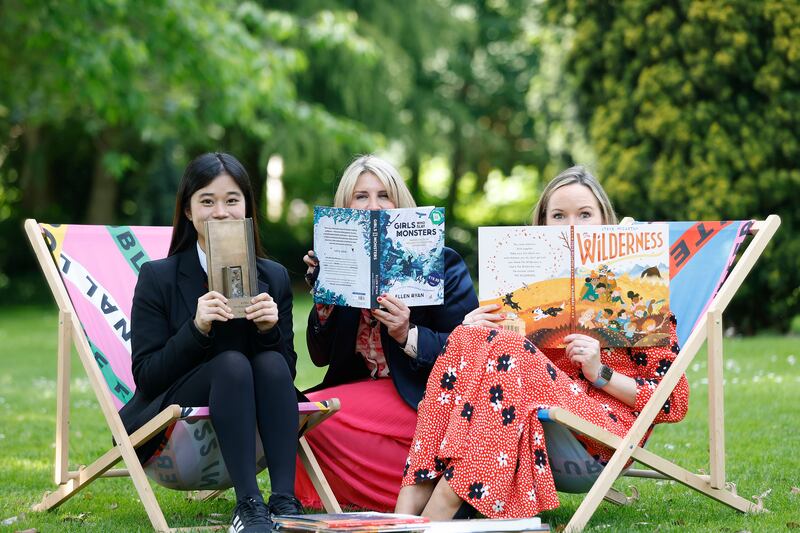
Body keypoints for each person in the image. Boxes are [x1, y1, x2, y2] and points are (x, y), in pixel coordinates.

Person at [395, 166, 689, 519]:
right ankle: (412, 496)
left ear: (603, 221)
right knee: (470, 335)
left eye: (584, 215)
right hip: (539, 422)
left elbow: (674, 402)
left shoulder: (639, 295)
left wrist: (600, 373)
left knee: (508, 351)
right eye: (559, 215)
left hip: (601, 436)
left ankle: (442, 503)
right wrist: (471, 328)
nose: (571, 226)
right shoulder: (522, 285)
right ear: (542, 224)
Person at [119, 153, 301, 533]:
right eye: (207, 201)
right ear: (187, 211)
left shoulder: (274, 277)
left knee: (269, 363)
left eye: (232, 200)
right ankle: (249, 505)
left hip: (246, 407)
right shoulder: (158, 277)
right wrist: (196, 327)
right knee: (232, 362)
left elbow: (285, 373)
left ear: (248, 207)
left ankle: (284, 500)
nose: (221, 212)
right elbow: (148, 376)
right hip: (173, 418)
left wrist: (269, 330)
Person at [294, 155, 479, 511]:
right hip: (368, 392)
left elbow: (469, 349)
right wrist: (324, 299)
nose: (374, 206)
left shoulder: (442, 262)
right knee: (303, 419)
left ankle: (438, 495)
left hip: (429, 395)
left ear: (400, 203)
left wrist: (406, 333)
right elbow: (319, 356)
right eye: (361, 197)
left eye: (384, 195)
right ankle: (431, 492)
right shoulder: (342, 259)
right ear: (346, 207)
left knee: (307, 420)